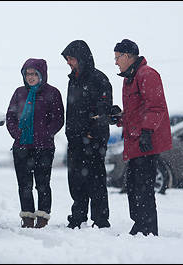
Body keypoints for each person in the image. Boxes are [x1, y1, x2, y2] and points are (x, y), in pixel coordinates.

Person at [113, 39, 172, 236]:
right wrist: (118, 117)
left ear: (128, 56)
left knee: (143, 187)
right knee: (132, 185)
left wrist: (147, 132)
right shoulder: (129, 78)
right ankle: (139, 225)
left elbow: (156, 107)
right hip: (135, 141)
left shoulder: (147, 74)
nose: (115, 62)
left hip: (147, 142)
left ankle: (147, 229)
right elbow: (134, 113)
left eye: (117, 57)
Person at [6, 58, 64, 228]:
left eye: (34, 74)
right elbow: (10, 116)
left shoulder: (52, 93)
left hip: (44, 147)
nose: (30, 77)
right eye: (27, 74)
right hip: (22, 147)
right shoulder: (19, 93)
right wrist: (17, 134)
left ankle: (43, 217)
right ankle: (28, 217)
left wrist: (45, 134)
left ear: (41, 75)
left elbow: (58, 119)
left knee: (42, 184)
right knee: (24, 184)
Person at [61, 40, 113, 229]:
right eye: (67, 59)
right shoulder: (72, 80)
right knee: (76, 180)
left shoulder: (99, 79)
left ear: (81, 58)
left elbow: (104, 110)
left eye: (71, 58)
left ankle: (100, 220)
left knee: (96, 180)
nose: (68, 62)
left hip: (93, 140)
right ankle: (78, 216)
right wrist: (71, 133)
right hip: (75, 139)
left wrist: (93, 133)